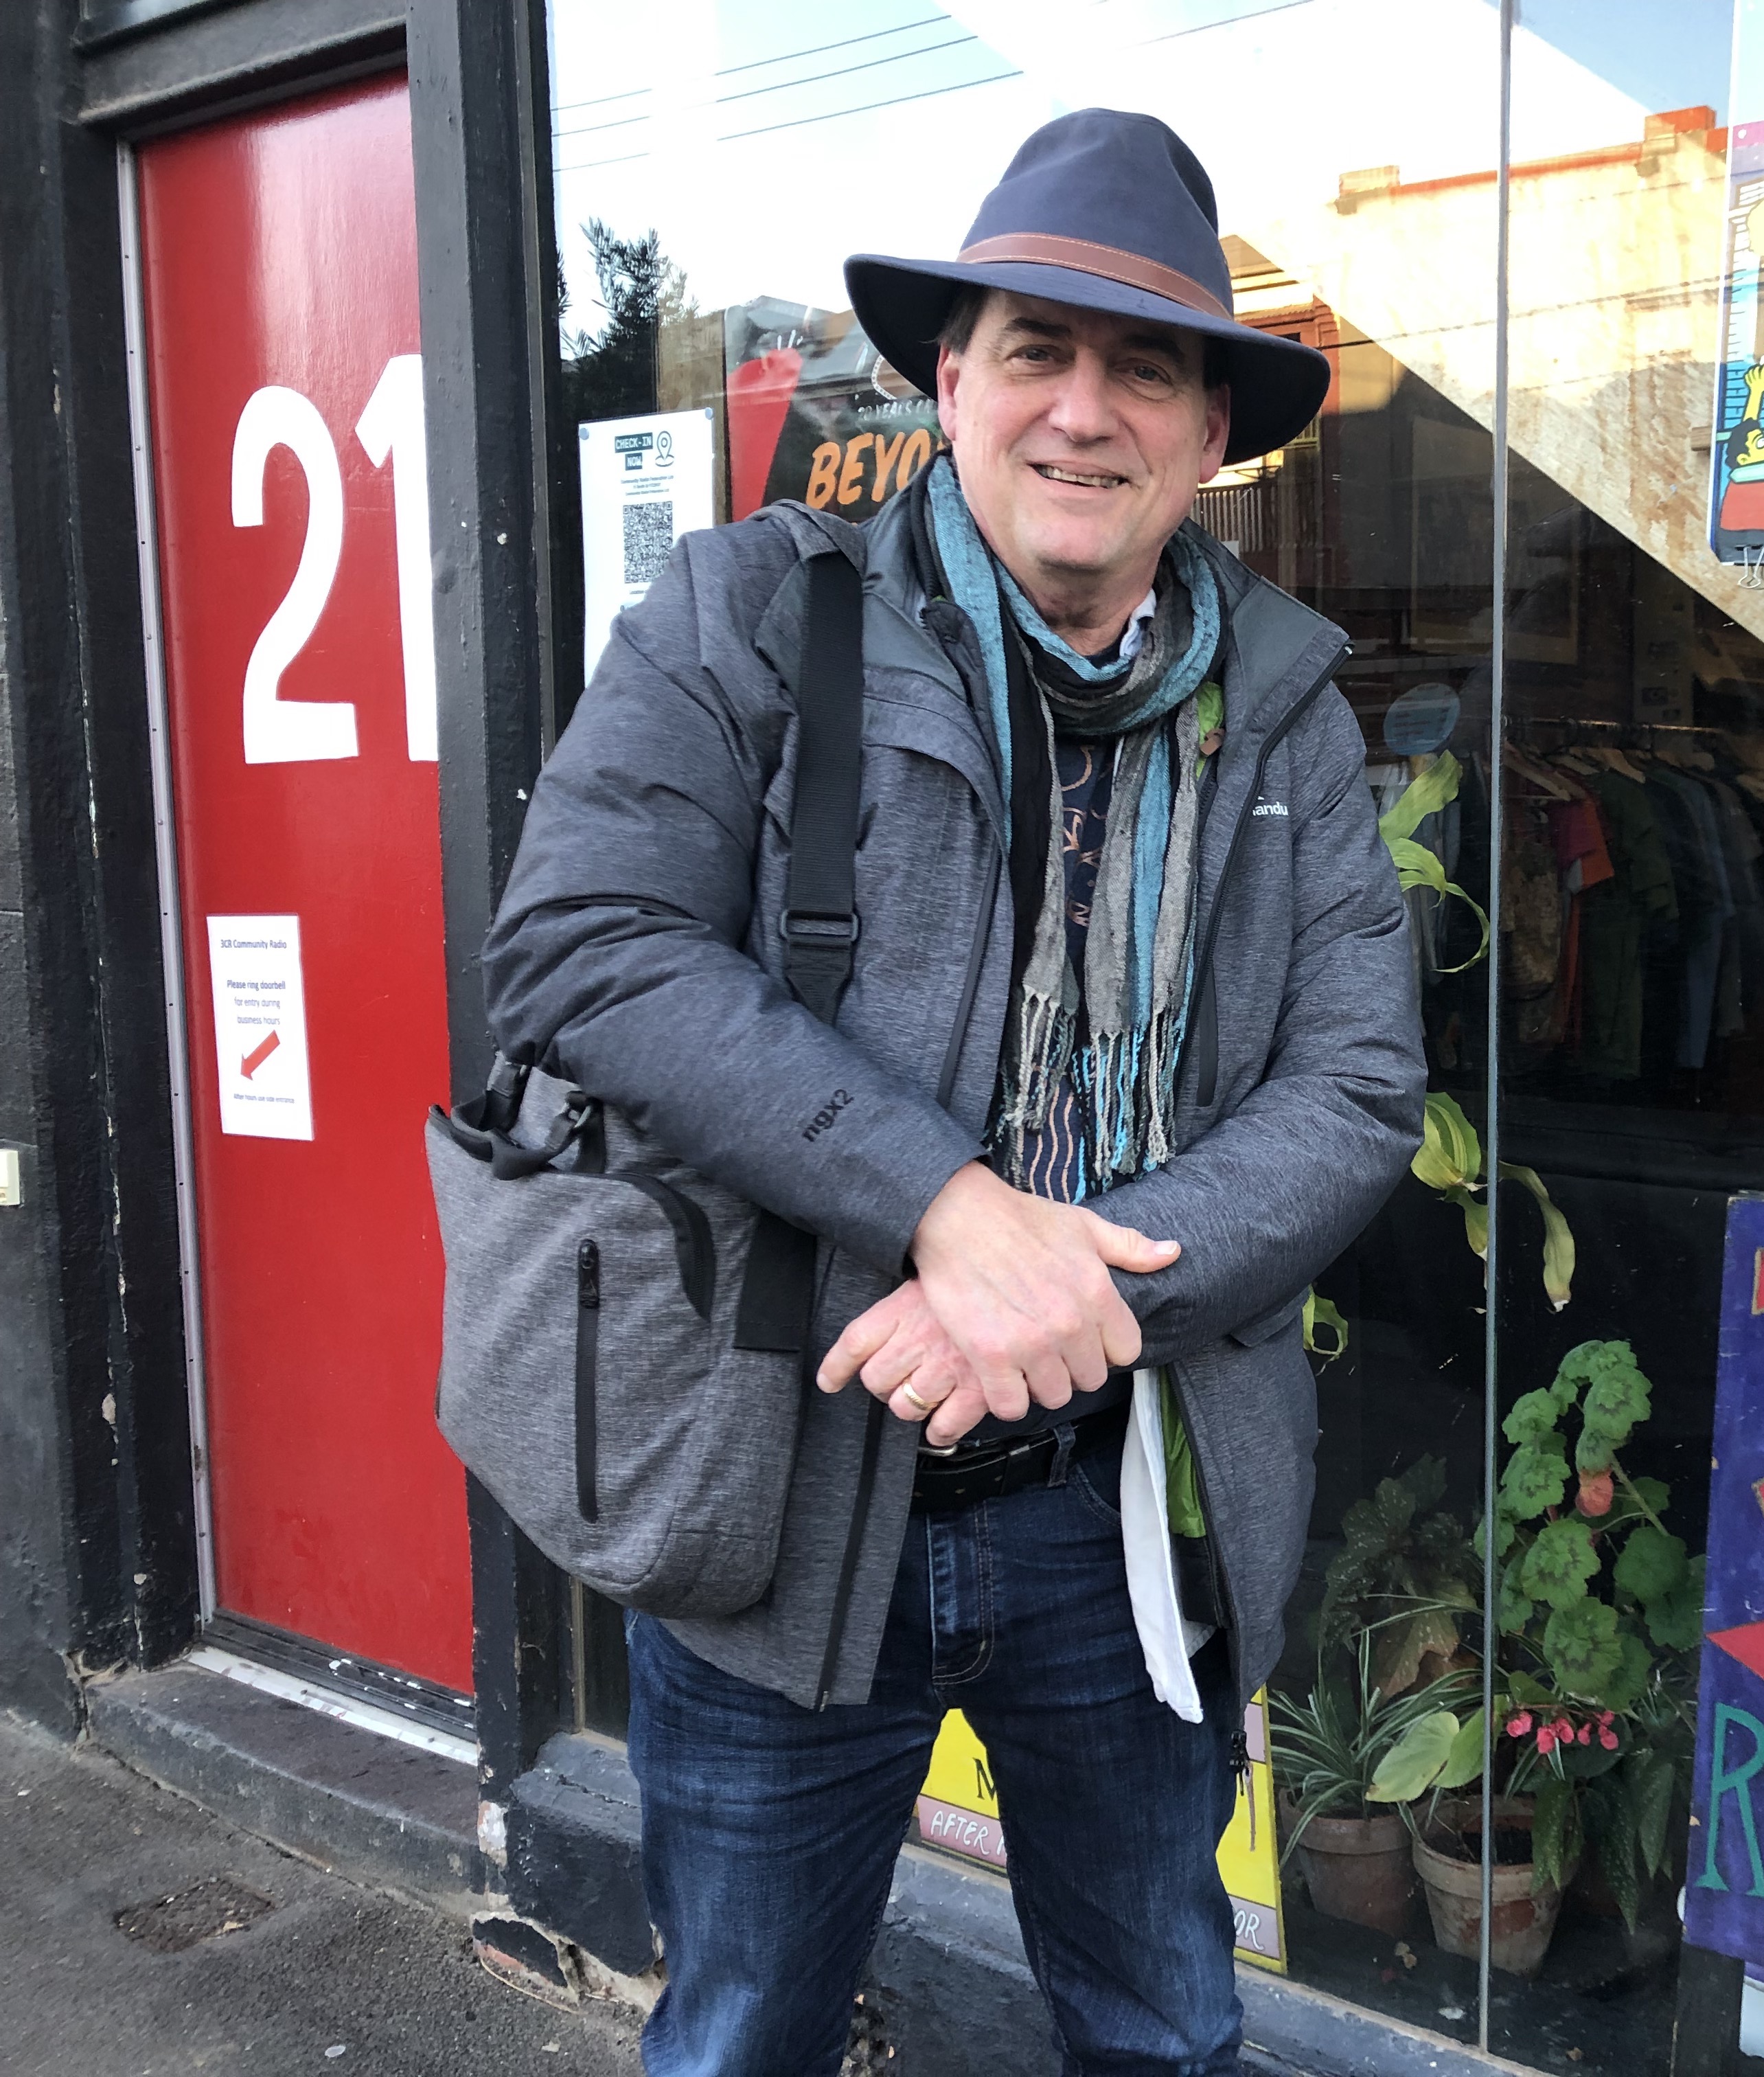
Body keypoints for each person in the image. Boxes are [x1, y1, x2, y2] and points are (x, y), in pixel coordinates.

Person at [484, 108, 1425, 2077]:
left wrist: (1061, 1295)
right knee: (744, 2033)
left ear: (1210, 432)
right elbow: (584, 943)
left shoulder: (1284, 713)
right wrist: (946, 1204)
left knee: (1165, 2028)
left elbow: (1354, 1092)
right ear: (947, 377)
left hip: (1122, 1509)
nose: (1083, 410)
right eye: (1035, 351)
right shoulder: (751, 612)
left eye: (1145, 368)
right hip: (780, 1487)